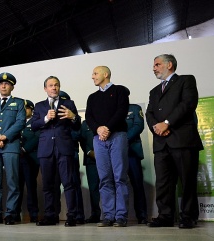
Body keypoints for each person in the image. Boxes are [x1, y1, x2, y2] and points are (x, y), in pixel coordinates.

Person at [146, 54, 203, 229]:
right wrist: (157, 127)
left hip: (182, 139)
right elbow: (149, 114)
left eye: (157, 64)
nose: (153, 68)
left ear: (169, 65)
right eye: (153, 65)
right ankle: (165, 216)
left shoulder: (186, 80)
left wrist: (167, 123)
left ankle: (188, 216)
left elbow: (187, 104)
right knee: (163, 182)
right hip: (161, 142)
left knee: (187, 180)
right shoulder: (154, 91)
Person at [31, 76, 81, 227]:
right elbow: (33, 126)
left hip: (64, 148)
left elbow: (77, 125)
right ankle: (50, 216)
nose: (54, 88)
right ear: (45, 89)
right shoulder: (39, 106)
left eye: (56, 85)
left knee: (68, 183)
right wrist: (45, 118)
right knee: (48, 185)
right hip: (46, 150)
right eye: (51, 85)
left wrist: (73, 117)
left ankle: (72, 216)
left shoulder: (68, 103)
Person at [85, 66, 129, 227]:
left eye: (95, 73)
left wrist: (107, 128)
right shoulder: (92, 97)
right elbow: (89, 116)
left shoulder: (120, 91)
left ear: (106, 74)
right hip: (99, 139)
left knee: (120, 178)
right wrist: (98, 129)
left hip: (117, 136)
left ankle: (121, 216)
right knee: (104, 179)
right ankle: (108, 215)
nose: (92, 76)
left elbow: (121, 112)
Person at [0, 72, 26, 225]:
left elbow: (20, 122)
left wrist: (4, 137)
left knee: (12, 181)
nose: (3, 85)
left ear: (12, 86)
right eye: (1, 83)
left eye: (7, 83)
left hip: (10, 146)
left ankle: (11, 214)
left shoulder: (19, 103)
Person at [53, 90, 85, 224]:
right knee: (54, 185)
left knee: (73, 184)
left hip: (70, 153)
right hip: (56, 153)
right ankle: (54, 213)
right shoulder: (56, 121)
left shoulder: (72, 118)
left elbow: (78, 133)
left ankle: (78, 215)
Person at [124, 88, 148, 224]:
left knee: (137, 184)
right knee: (118, 185)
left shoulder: (134, 108)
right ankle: (121, 216)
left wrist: (123, 139)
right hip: (117, 154)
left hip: (132, 152)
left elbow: (138, 126)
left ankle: (142, 215)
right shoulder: (114, 110)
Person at [16, 99, 40, 223]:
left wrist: (24, 149)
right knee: (17, 187)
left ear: (31, 109)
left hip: (31, 158)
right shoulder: (17, 122)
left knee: (31, 187)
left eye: (26, 108)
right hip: (18, 159)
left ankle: (33, 213)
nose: (24, 111)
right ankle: (15, 213)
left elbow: (37, 137)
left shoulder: (35, 122)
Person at [79, 120, 101, 223]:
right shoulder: (85, 123)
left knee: (109, 185)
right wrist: (89, 152)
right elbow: (82, 140)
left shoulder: (106, 118)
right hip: (91, 160)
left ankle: (111, 214)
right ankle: (95, 214)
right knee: (93, 188)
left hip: (107, 157)